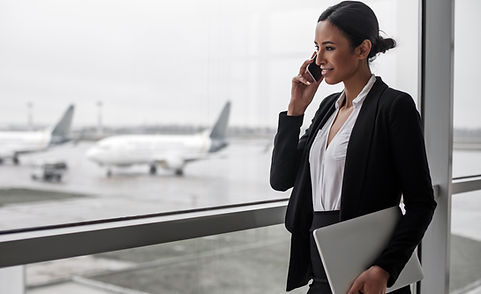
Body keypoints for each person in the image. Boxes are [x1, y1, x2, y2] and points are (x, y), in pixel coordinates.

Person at [269, 1, 437, 293]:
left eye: (330, 47)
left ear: (362, 50)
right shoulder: (325, 109)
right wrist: (296, 111)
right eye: (316, 47)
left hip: (368, 269)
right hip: (319, 266)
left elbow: (421, 203)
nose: (318, 58)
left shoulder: (394, 106)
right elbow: (281, 179)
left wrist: (385, 269)